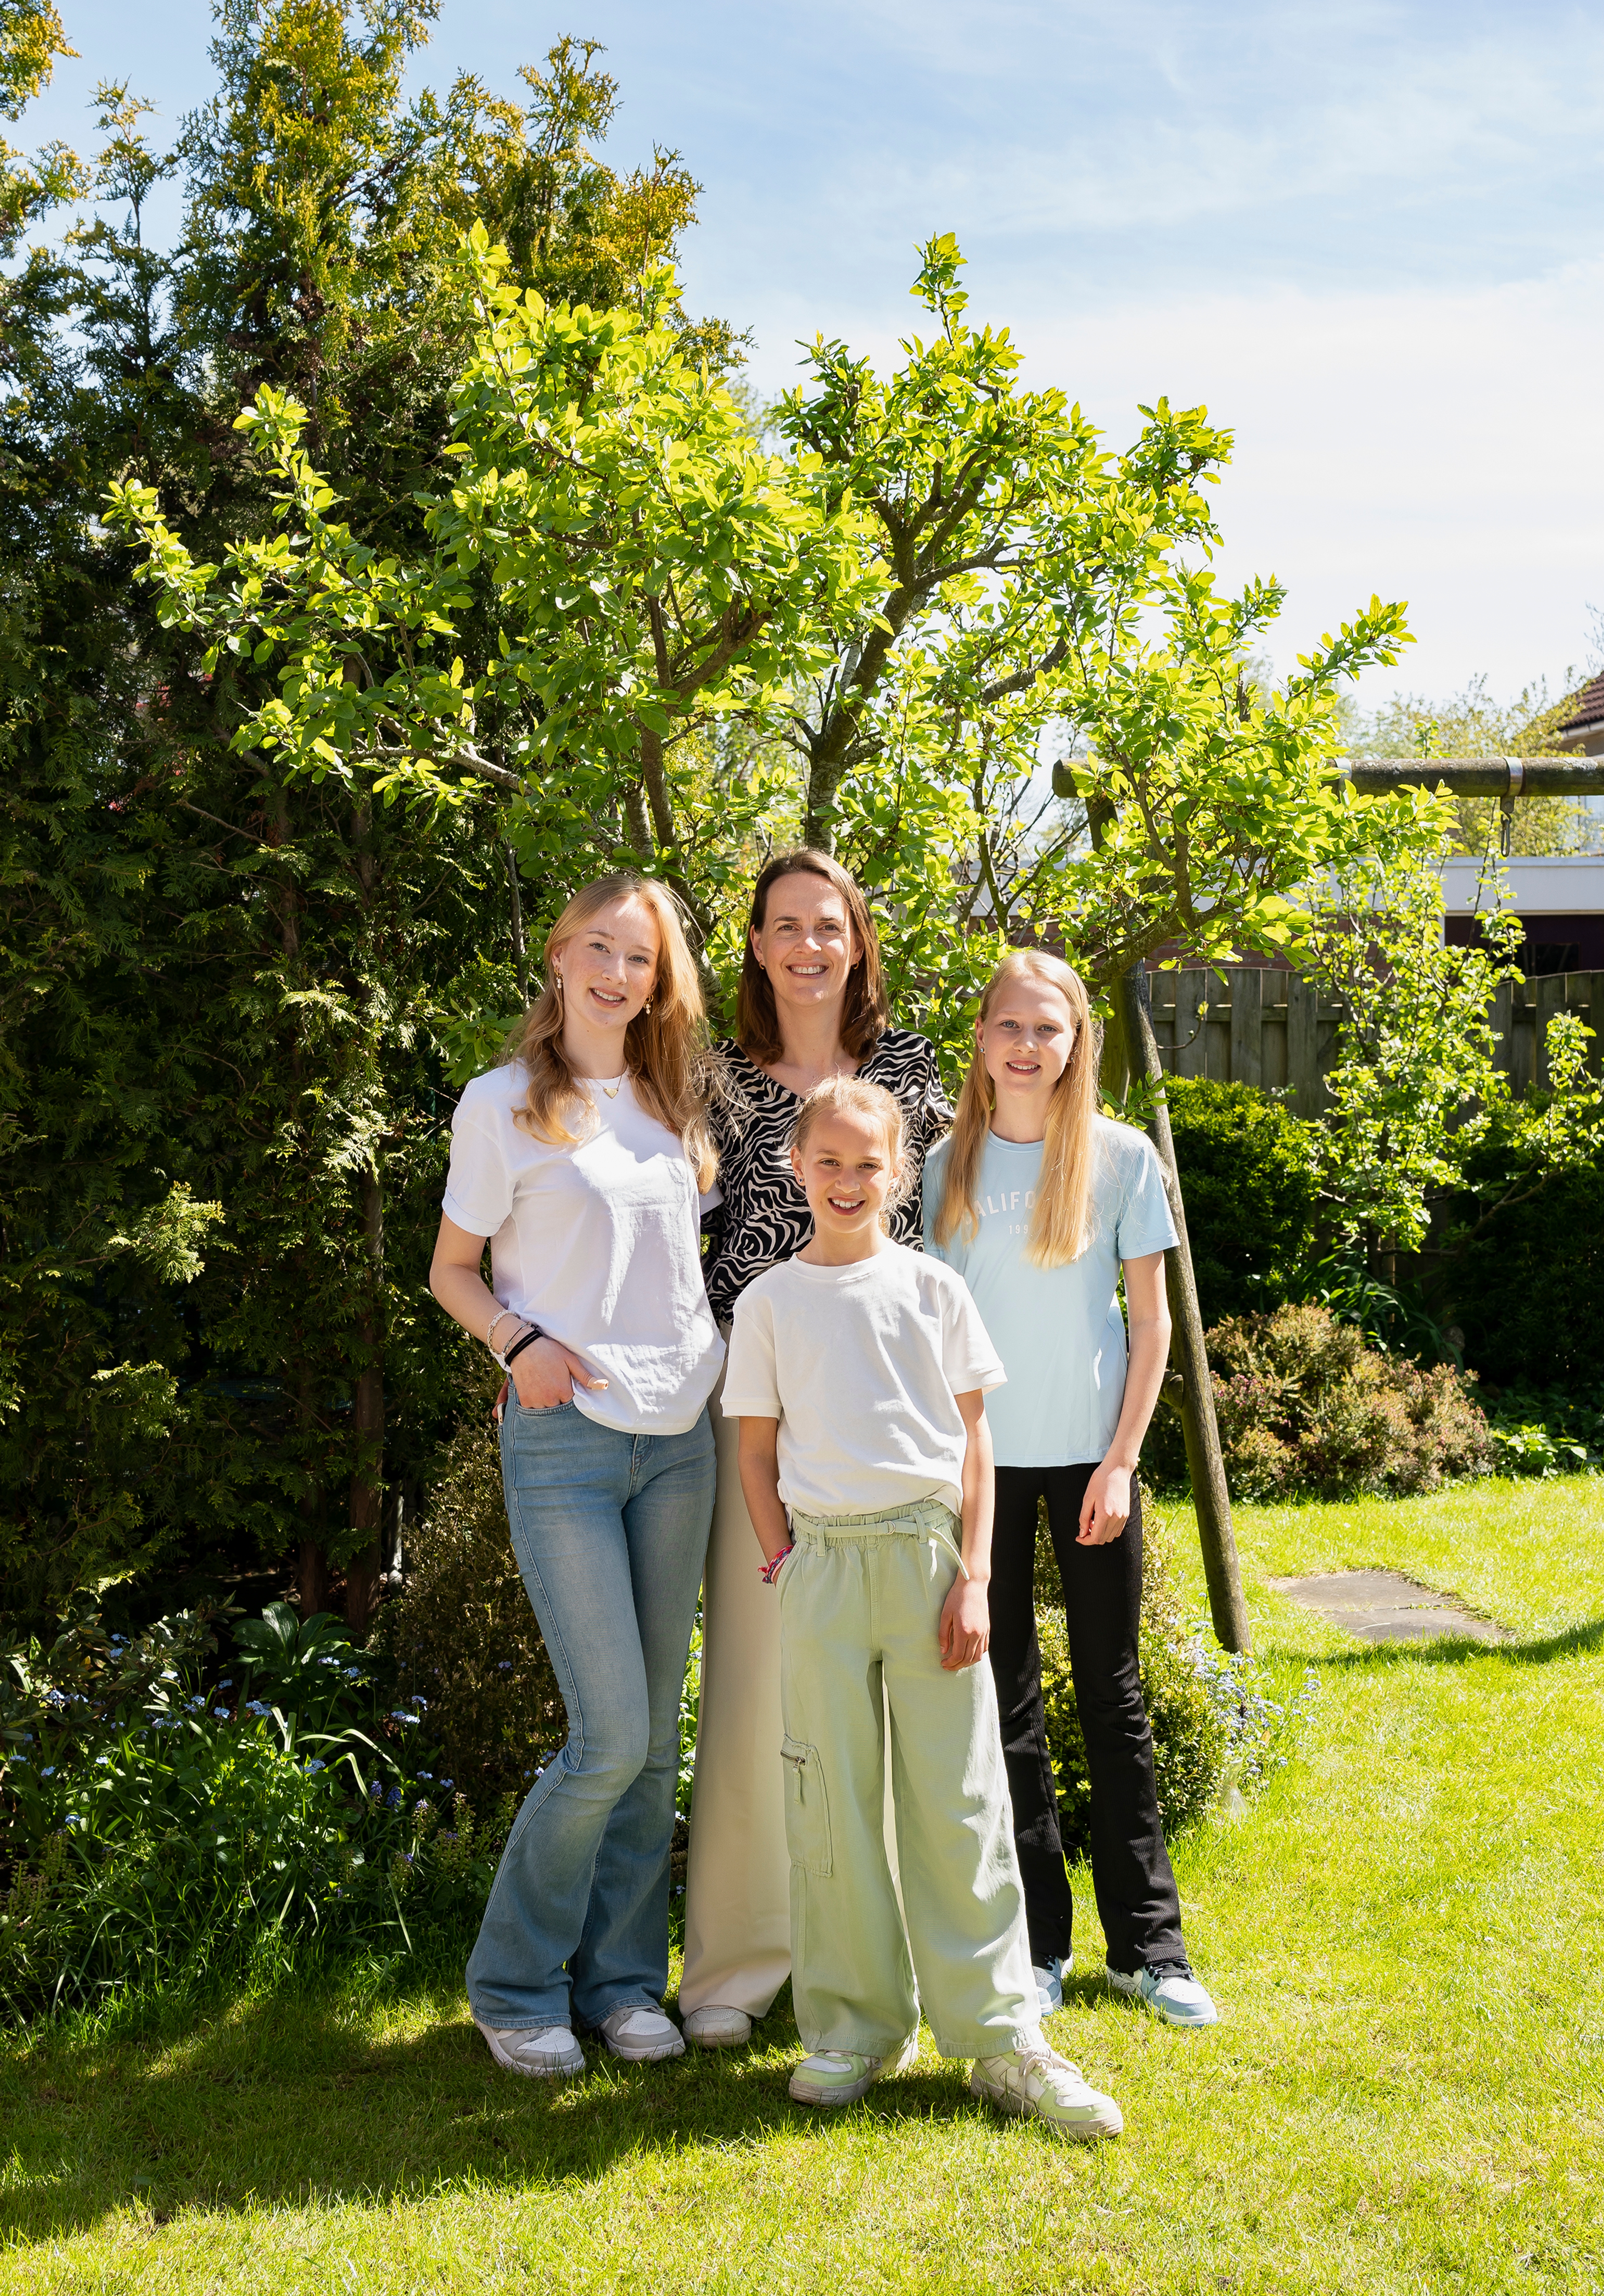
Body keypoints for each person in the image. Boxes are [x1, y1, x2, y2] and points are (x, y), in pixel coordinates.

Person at [720, 1073, 1124, 2137]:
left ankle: (1000, 2036)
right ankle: (854, 2025)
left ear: (901, 1175)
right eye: (830, 1162)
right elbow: (755, 1454)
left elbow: (977, 1443)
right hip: (822, 1570)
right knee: (832, 1804)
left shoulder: (935, 1291)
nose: (849, 1180)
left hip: (928, 1562)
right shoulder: (768, 1305)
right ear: (795, 1167)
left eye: (870, 1164)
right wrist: (784, 1565)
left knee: (959, 1801)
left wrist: (977, 1575)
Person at [428, 870, 724, 2081]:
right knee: (605, 1736)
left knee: (655, 1741)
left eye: (641, 958)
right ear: (558, 957)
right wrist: (519, 1344)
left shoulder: (671, 1099)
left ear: (661, 980)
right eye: (599, 948)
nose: (617, 973)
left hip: (682, 1440)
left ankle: (617, 1984)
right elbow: (452, 1269)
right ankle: (512, 1987)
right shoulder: (501, 1106)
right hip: (565, 1443)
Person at [678, 849, 950, 2051]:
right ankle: (736, 1969)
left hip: (882, 1419)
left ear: (858, 940)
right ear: (754, 942)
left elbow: (943, 1235)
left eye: (827, 925)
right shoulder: (713, 1077)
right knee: (752, 1685)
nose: (806, 945)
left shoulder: (908, 1071)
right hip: (758, 1409)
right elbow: (663, 1235)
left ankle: (871, 1958)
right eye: (783, 925)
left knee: (881, 1698)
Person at [923, 949, 1219, 2029]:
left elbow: (1152, 1327)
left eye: (1050, 1029)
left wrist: (1124, 1460)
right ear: (983, 1038)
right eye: (1011, 1026)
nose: (1028, 1046)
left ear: (1076, 1041)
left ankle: (1150, 1948)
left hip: (1095, 1466)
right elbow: (934, 1337)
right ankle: (1037, 1947)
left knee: (1112, 1699)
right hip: (984, 1473)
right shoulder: (946, 1165)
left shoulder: (1121, 1159)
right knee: (1005, 1709)